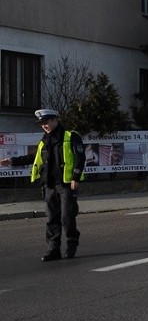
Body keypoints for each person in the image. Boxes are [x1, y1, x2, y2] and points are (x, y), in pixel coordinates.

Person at [0, 109, 86, 261]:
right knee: (52, 218)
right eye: (41, 124)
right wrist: (13, 161)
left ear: (54, 120)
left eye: (46, 122)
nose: (44, 126)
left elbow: (80, 157)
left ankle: (72, 242)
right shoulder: (44, 140)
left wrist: (76, 177)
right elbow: (34, 157)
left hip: (66, 185)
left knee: (67, 216)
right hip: (49, 185)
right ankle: (53, 250)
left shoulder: (71, 136)